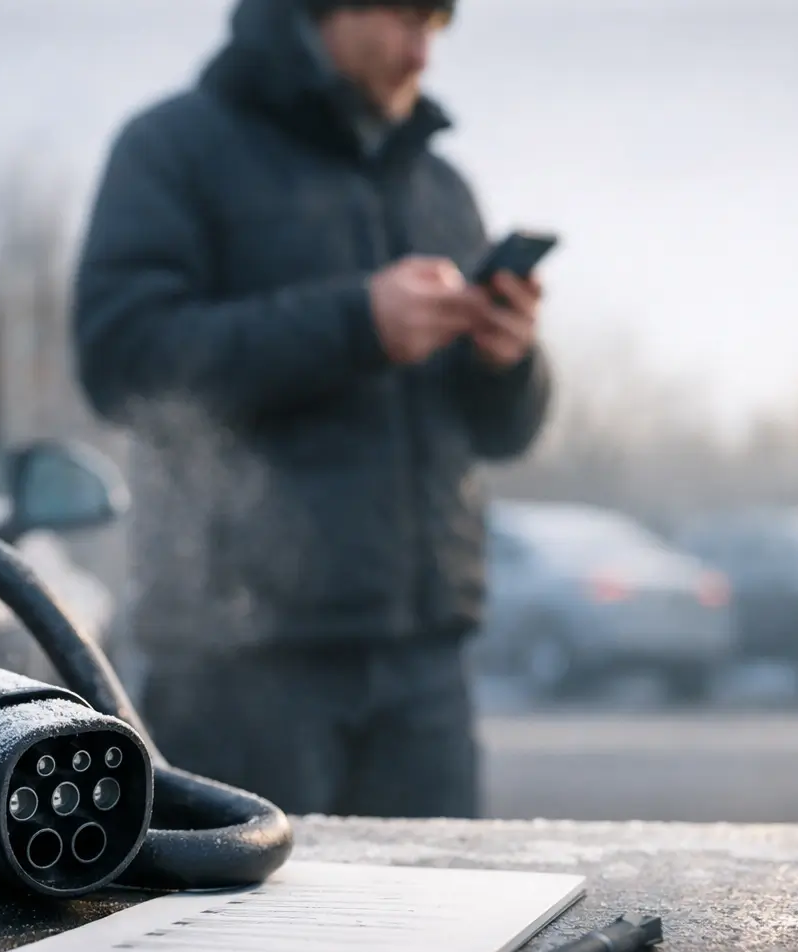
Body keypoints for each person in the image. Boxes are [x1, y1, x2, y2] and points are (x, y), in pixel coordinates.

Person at [73, 0, 552, 818]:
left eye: (435, 29)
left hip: (424, 663)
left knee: (438, 934)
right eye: (406, 21)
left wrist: (509, 364)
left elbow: (500, 434)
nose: (422, 55)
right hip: (241, 664)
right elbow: (125, 363)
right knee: (241, 937)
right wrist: (357, 323)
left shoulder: (439, 185)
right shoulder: (176, 147)